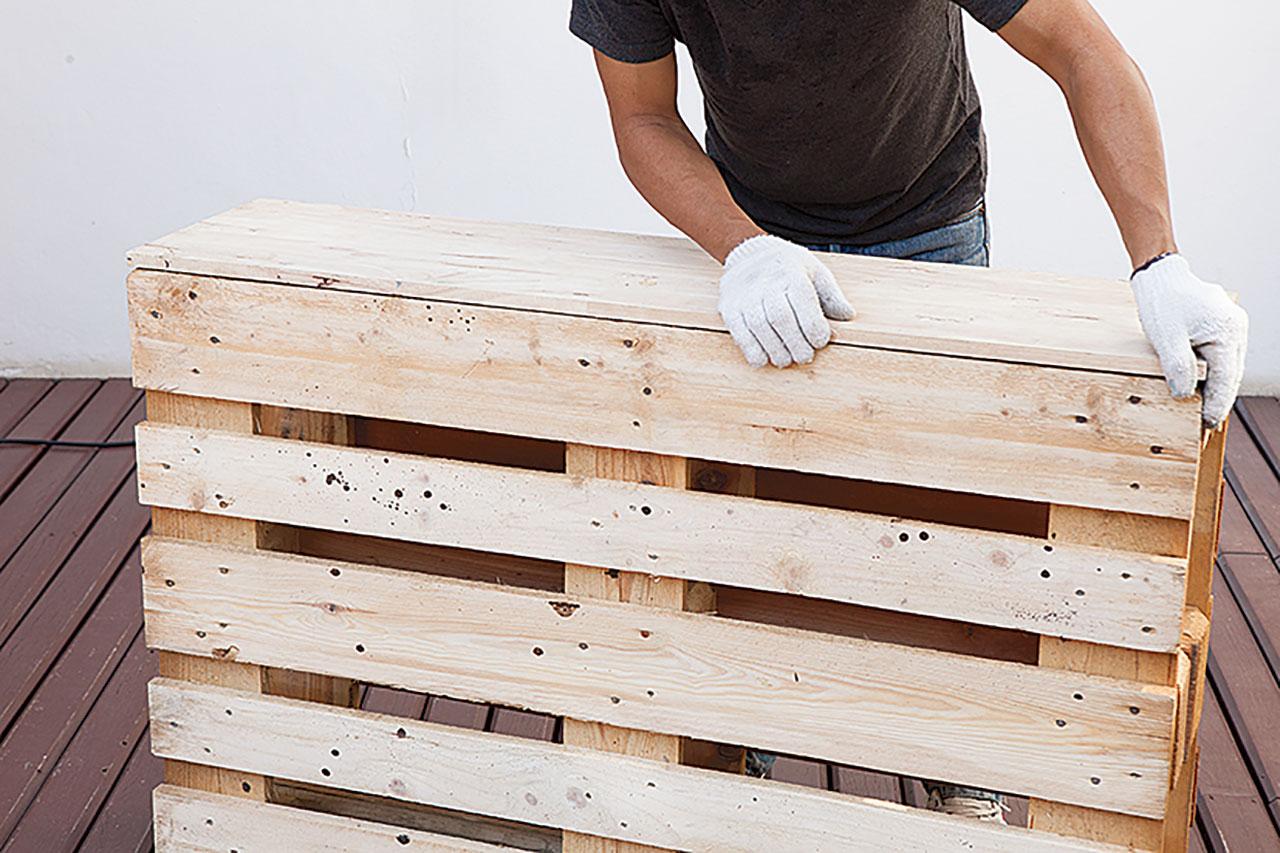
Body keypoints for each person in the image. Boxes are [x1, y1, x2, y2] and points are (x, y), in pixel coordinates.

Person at [569, 0, 1249, 824]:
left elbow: (1080, 47)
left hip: (930, 223)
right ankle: (740, 742)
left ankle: (962, 765)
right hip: (756, 234)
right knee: (754, 516)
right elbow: (642, 116)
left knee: (954, 519)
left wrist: (1159, 259)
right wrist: (742, 247)